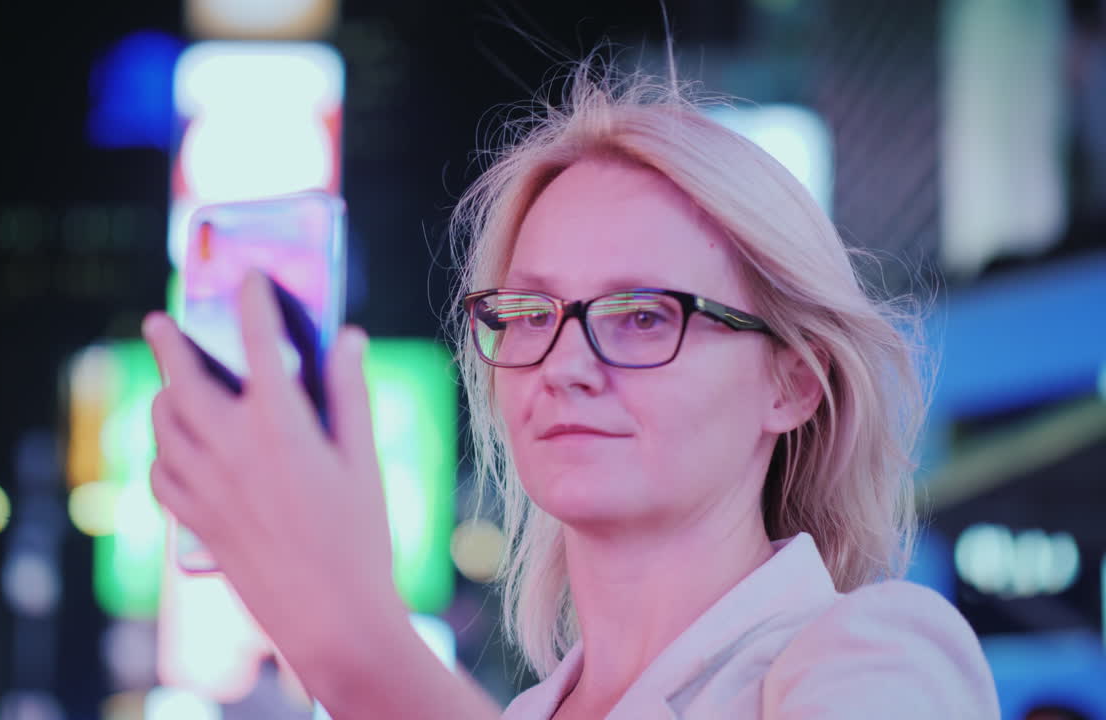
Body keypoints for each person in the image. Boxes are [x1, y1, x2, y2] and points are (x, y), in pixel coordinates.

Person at [142, 56, 1001, 719]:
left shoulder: (877, 657)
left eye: (642, 316)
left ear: (795, 384)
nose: (564, 363)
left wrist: (358, 652)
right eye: (528, 312)